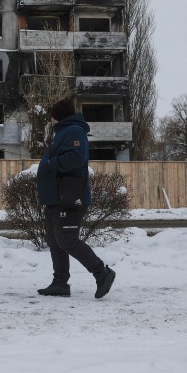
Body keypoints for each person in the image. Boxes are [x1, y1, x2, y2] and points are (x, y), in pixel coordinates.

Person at [36, 98, 116, 299]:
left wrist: (51, 164)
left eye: (52, 117)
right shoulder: (64, 131)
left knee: (67, 241)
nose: (51, 120)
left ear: (57, 117)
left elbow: (75, 157)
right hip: (56, 196)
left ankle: (102, 273)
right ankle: (60, 283)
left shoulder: (73, 131)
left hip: (69, 197)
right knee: (55, 242)